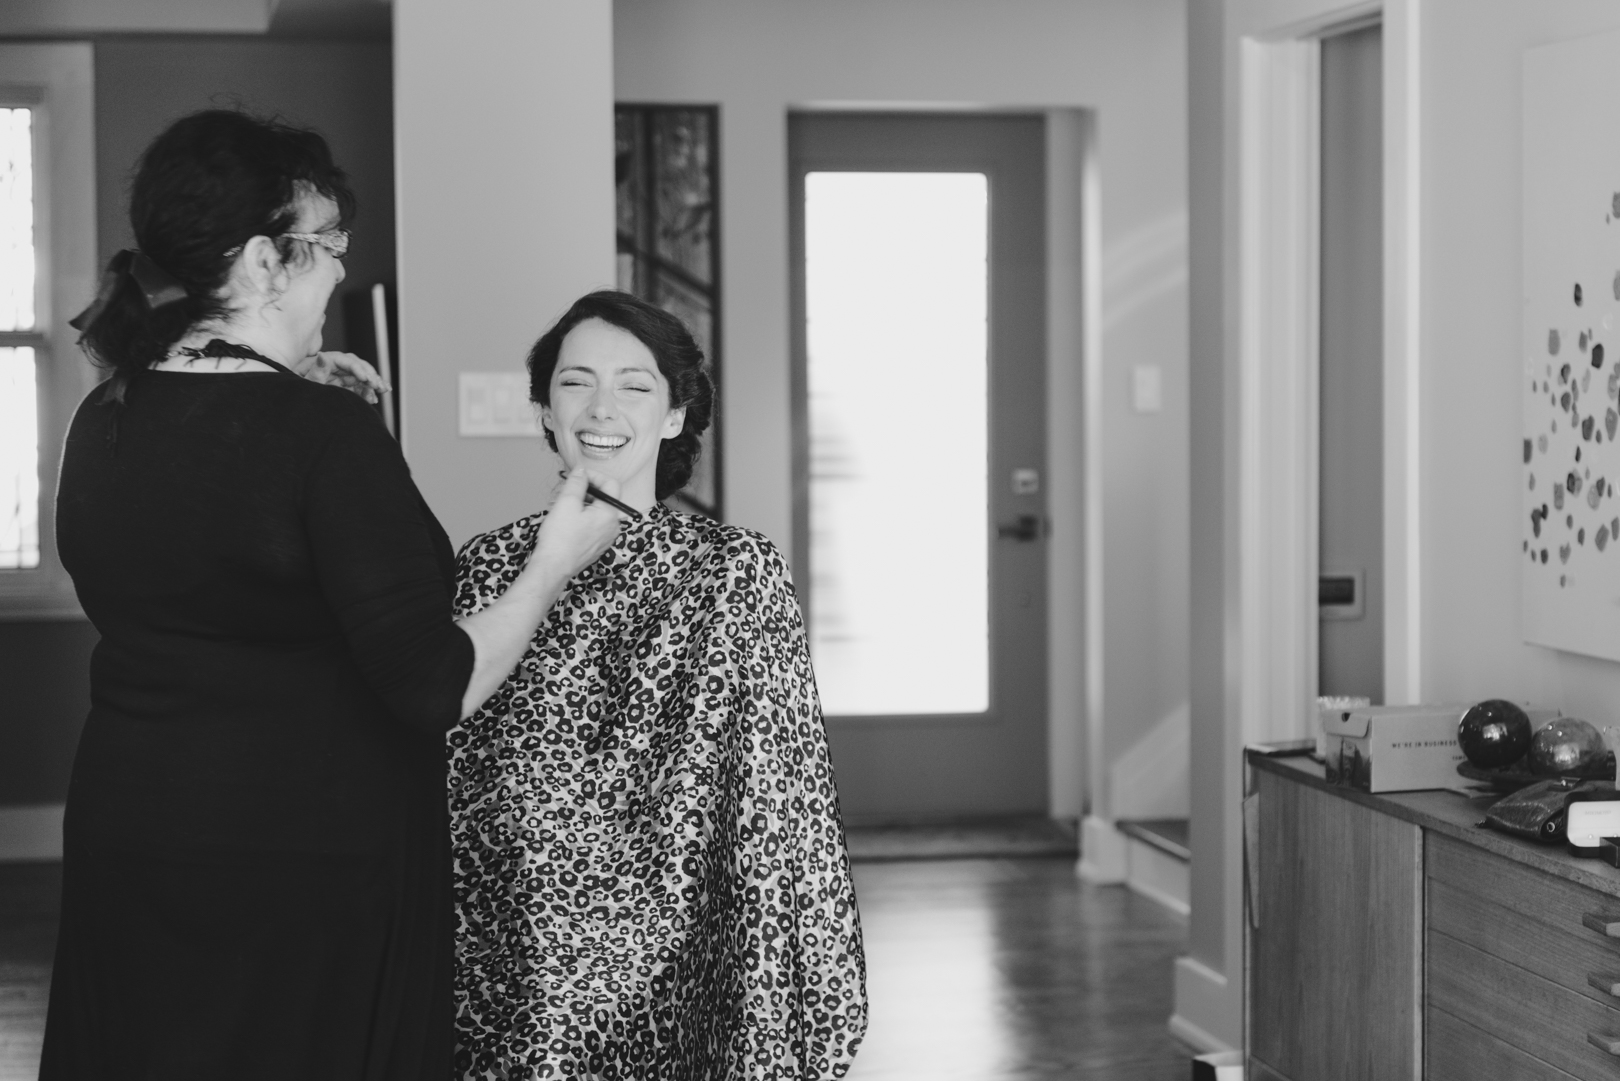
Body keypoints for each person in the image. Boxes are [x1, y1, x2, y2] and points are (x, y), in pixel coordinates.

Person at [42, 110, 625, 1080]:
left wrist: (312, 409)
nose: (340, 272)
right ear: (268, 263)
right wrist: (554, 561)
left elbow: (205, 553)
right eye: (325, 248)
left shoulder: (103, 416)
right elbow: (435, 685)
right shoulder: (322, 437)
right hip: (300, 864)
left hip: (132, 833)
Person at [449, 290, 868, 1080]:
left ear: (674, 415)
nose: (601, 406)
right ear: (543, 408)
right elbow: (454, 766)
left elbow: (785, 799)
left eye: (634, 384)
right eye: (575, 382)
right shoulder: (485, 567)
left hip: (687, 945)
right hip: (521, 939)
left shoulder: (735, 572)